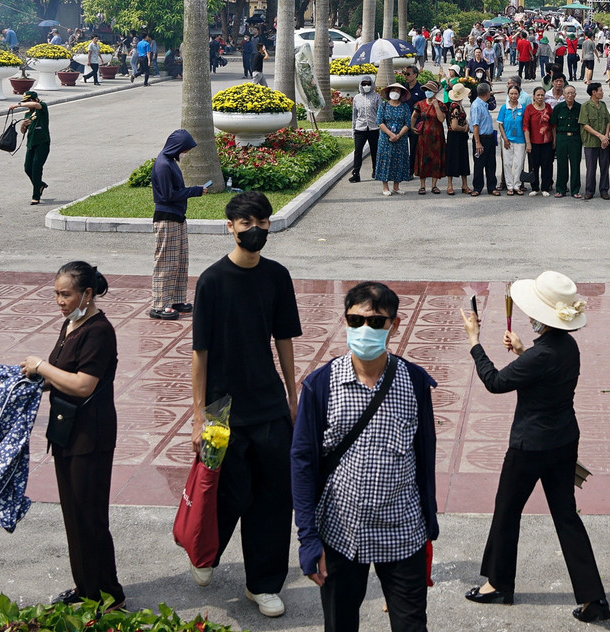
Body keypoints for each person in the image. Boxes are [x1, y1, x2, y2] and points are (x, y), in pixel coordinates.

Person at [459, 271, 610, 623]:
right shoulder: (566, 347)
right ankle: (593, 598)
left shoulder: (540, 356)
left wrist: (474, 342)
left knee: (507, 510)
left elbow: (495, 382)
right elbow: (542, 368)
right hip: (564, 440)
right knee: (566, 517)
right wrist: (524, 351)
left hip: (530, 445)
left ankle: (498, 583)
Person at [291, 281, 438, 632]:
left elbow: (425, 455)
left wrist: (429, 520)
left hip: (402, 530)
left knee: (412, 626)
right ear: (345, 322)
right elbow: (302, 463)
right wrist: (308, 538)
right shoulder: (320, 385)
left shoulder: (415, 383)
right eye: (356, 321)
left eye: (376, 322)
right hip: (342, 533)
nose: (365, 330)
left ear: (394, 325)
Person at [190, 191, 303, 617]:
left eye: (261, 222)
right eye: (246, 223)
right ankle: (205, 553)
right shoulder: (212, 281)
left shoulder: (277, 276)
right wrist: (198, 413)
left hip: (270, 404)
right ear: (230, 227)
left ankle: (264, 584)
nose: (254, 229)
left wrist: (293, 396)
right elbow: (199, 351)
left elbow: (284, 339)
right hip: (223, 409)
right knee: (226, 494)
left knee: (274, 498)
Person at [18, 261, 124, 609]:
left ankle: (110, 595)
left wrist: (42, 367)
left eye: (66, 294)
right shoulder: (72, 324)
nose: (59, 300)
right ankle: (86, 587)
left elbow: (83, 384)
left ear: (87, 294)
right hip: (67, 432)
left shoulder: (99, 331)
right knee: (74, 516)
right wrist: (30, 379)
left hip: (91, 436)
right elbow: (60, 374)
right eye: (56, 294)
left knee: (90, 516)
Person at [149, 130, 209, 321]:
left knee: (180, 262)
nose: (185, 153)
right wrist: (196, 191)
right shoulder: (163, 165)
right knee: (166, 262)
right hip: (166, 218)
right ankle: (159, 304)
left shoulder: (171, 162)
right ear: (177, 147)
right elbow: (168, 195)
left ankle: (175, 299)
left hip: (177, 217)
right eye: (184, 149)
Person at [376, 83, 413, 196]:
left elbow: (408, 123)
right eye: (393, 90)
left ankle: (396, 186)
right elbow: (379, 122)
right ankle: (385, 186)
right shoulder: (383, 106)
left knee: (399, 161)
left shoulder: (405, 107)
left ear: (401, 94)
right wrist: (390, 134)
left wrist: (398, 135)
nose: (395, 93)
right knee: (386, 160)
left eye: (398, 91)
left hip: (400, 139)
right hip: (385, 139)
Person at [13, 91, 49, 205]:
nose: (27, 104)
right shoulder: (27, 114)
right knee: (28, 168)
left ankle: (36, 196)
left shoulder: (42, 107)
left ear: (35, 99)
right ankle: (40, 184)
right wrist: (23, 125)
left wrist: (17, 105)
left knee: (36, 168)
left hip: (42, 143)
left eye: (28, 101)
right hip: (31, 144)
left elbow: (36, 105)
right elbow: (23, 131)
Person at [412, 80, 446, 195]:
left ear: (435, 92)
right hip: (424, 135)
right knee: (423, 159)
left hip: (437, 136)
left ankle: (434, 185)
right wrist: (412, 127)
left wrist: (436, 106)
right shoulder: (420, 104)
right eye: (426, 90)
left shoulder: (441, 105)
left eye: (430, 90)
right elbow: (414, 116)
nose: (428, 92)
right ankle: (422, 186)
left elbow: (442, 119)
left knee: (436, 159)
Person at [580, 82, 610, 200]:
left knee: (604, 167)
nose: (602, 93)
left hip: (604, 142)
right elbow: (585, 125)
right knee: (591, 168)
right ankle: (589, 190)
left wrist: (606, 136)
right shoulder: (586, 106)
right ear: (594, 92)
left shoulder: (603, 105)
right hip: (591, 142)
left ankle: (604, 190)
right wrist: (600, 136)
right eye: (600, 90)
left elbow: (608, 121)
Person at [348, 74, 382, 183]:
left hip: (373, 128)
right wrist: (353, 130)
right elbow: (354, 115)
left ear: (372, 85)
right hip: (360, 128)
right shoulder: (357, 98)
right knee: (358, 151)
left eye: (368, 84)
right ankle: (356, 173)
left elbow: (380, 113)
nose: (366, 86)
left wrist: (381, 128)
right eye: (364, 84)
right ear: (360, 85)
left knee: (375, 151)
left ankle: (376, 171)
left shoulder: (376, 97)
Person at [551, 84, 583, 199]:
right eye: (567, 93)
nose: (570, 95)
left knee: (575, 164)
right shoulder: (558, 108)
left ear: (575, 95)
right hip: (562, 138)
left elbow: (583, 125)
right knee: (561, 164)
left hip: (575, 138)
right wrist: (555, 140)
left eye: (572, 93)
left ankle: (575, 190)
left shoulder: (580, 108)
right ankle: (561, 189)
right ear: (563, 95)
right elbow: (554, 125)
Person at [496, 82, 527, 195]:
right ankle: (509, 186)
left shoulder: (523, 109)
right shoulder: (504, 108)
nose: (513, 96)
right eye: (511, 93)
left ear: (519, 95)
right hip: (507, 140)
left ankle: (517, 185)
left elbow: (525, 125)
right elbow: (500, 124)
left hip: (520, 140)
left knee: (519, 163)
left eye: (515, 93)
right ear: (508, 94)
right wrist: (505, 139)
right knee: (507, 163)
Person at [523, 86, 554, 196]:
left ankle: (545, 187)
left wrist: (554, 140)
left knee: (547, 165)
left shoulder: (549, 108)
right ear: (534, 96)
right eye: (538, 95)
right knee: (533, 166)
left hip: (547, 142)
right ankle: (534, 187)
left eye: (542, 95)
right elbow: (526, 127)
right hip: (533, 142)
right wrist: (528, 143)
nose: (540, 97)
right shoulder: (529, 108)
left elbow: (552, 125)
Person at [468, 82, 498, 196]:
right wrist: (478, 143)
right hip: (480, 138)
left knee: (491, 164)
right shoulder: (476, 106)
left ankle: (492, 187)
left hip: (490, 138)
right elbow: (475, 125)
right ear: (487, 93)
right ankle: (477, 187)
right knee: (479, 164)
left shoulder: (484, 104)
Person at [443, 82, 471, 196]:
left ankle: (464, 184)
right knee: (453, 159)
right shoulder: (455, 107)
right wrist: (464, 128)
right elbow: (454, 126)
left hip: (459, 136)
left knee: (462, 159)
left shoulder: (458, 105)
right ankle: (450, 185)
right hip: (455, 136)